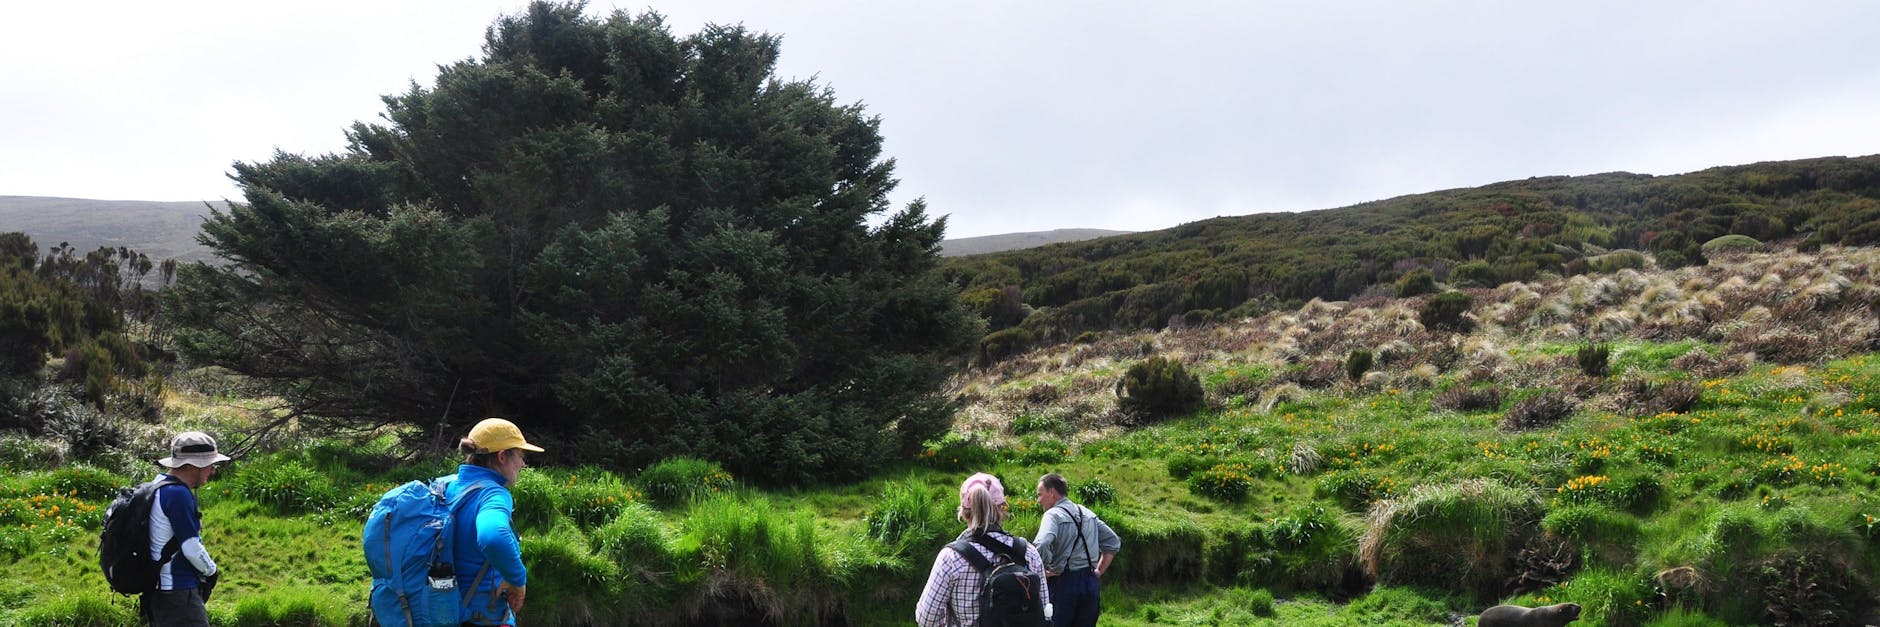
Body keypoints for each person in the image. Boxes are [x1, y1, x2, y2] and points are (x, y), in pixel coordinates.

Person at [915, 472, 1052, 627]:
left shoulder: (951, 558)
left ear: (964, 512)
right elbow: (1045, 608)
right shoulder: (1028, 552)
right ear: (1001, 509)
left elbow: (926, 618)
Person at [450, 418, 546, 626]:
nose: (522, 464)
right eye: (520, 456)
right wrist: (517, 580)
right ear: (502, 456)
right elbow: (492, 536)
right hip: (479, 617)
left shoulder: (450, 487)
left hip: (444, 612)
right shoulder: (493, 494)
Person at [143, 431, 230, 627]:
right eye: (209, 464)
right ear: (192, 466)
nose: (212, 470)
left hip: (156, 591)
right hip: (179, 593)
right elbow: (191, 547)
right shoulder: (178, 495)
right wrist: (211, 571)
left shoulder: (156, 486)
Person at [1033, 473, 1121, 627]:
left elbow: (1042, 542)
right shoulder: (1087, 513)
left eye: (1040, 494)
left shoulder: (1052, 515)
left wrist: (1046, 569)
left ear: (1052, 493)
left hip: (1063, 583)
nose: (1038, 500)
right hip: (1090, 582)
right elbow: (1113, 542)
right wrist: (1099, 571)